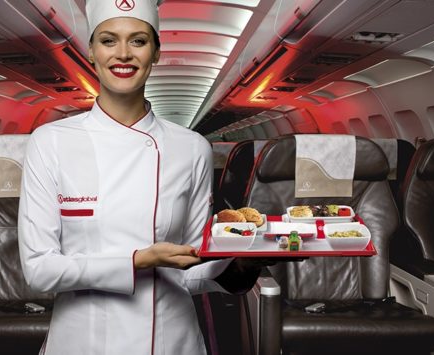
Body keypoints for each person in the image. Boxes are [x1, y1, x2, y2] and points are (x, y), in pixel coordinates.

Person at [18, 1, 259, 354]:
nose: (123, 54)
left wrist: (245, 260)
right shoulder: (50, 142)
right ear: (91, 51)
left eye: (138, 41)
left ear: (156, 52)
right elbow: (40, 270)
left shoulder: (192, 148)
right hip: (82, 340)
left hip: (168, 338)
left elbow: (189, 267)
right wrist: (138, 261)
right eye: (108, 40)